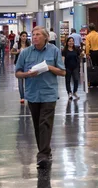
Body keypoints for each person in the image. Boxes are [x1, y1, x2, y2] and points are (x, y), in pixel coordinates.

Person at [15, 26, 66, 169]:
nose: (35, 37)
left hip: (49, 93)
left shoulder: (54, 51)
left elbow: (62, 72)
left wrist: (49, 68)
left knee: (45, 123)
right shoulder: (25, 53)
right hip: (32, 94)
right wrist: (27, 75)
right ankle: (45, 152)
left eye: (38, 34)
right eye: (33, 34)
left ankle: (43, 154)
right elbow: (17, 73)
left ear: (45, 37)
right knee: (38, 124)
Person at [11, 31, 31, 103]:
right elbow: (11, 52)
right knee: (20, 81)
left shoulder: (29, 45)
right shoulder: (17, 44)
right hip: (19, 64)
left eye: (25, 36)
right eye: (23, 36)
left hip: (27, 64)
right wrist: (17, 52)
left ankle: (28, 96)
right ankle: (22, 97)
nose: (24, 38)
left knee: (28, 80)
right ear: (20, 37)